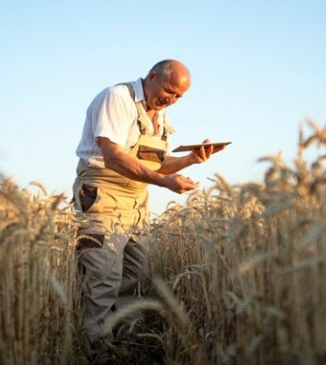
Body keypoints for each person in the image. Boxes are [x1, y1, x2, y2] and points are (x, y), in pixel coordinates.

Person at [72, 59, 224, 359]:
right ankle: (95, 354)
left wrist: (191, 159)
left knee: (135, 279)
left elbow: (155, 163)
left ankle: (128, 350)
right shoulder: (118, 98)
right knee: (102, 280)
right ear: (152, 76)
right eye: (169, 91)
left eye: (179, 97)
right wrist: (165, 182)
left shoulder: (160, 117)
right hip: (102, 195)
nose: (172, 100)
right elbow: (114, 156)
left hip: (137, 201)